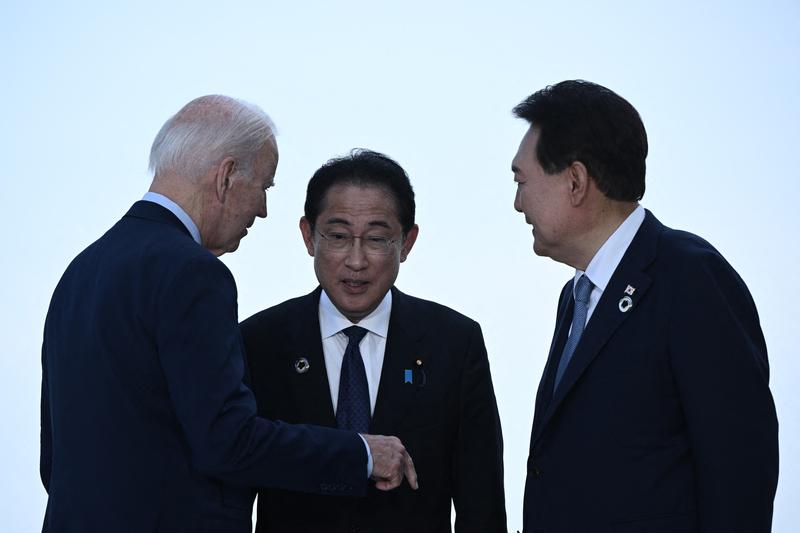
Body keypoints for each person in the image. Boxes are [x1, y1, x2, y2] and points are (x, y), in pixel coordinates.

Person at [39, 96, 417, 533]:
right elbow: (227, 441)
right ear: (225, 177)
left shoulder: (81, 271)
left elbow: (55, 458)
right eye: (264, 186)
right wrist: (363, 454)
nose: (262, 209)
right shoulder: (193, 273)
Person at [511, 80, 779, 532]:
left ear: (575, 181)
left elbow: (739, 467)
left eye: (521, 181)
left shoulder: (690, 277)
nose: (517, 203)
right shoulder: (575, 296)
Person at [240, 149, 507, 533]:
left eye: (378, 239)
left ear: (407, 242)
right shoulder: (259, 341)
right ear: (308, 236)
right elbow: (233, 486)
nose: (356, 260)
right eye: (338, 236)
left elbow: (480, 502)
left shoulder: (454, 342)